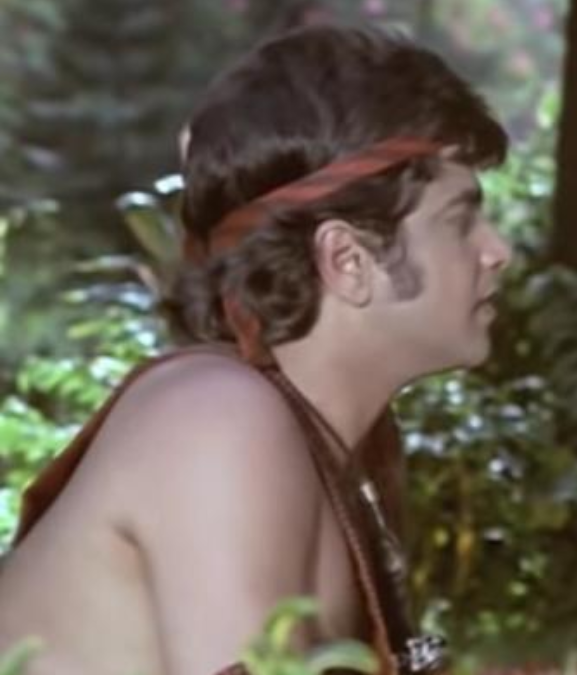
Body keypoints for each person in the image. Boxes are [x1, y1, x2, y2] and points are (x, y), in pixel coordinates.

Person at [0, 24, 511, 675]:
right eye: (461, 220)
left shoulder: (324, 444)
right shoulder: (219, 419)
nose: (498, 250)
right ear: (347, 260)